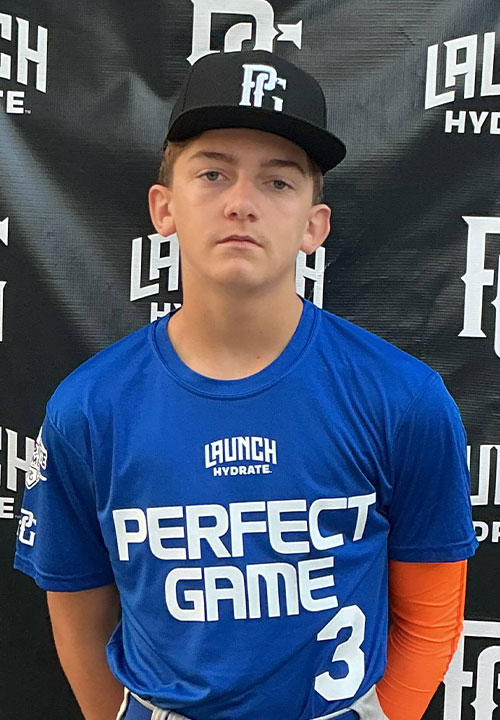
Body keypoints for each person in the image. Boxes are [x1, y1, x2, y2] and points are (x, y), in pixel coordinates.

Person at [14, 49, 477, 720]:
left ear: (314, 224)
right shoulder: (89, 408)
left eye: (278, 182)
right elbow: (79, 614)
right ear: (164, 208)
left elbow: (430, 618)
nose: (241, 204)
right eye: (212, 173)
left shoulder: (403, 399)